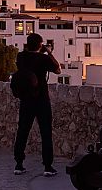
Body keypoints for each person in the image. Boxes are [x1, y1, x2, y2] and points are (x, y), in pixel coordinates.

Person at [13, 33, 61, 177]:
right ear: (40, 45)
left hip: (26, 99)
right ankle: (47, 166)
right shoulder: (43, 58)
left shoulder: (20, 57)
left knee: (22, 131)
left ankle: (19, 163)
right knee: (45, 132)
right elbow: (58, 69)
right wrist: (49, 53)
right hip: (41, 99)